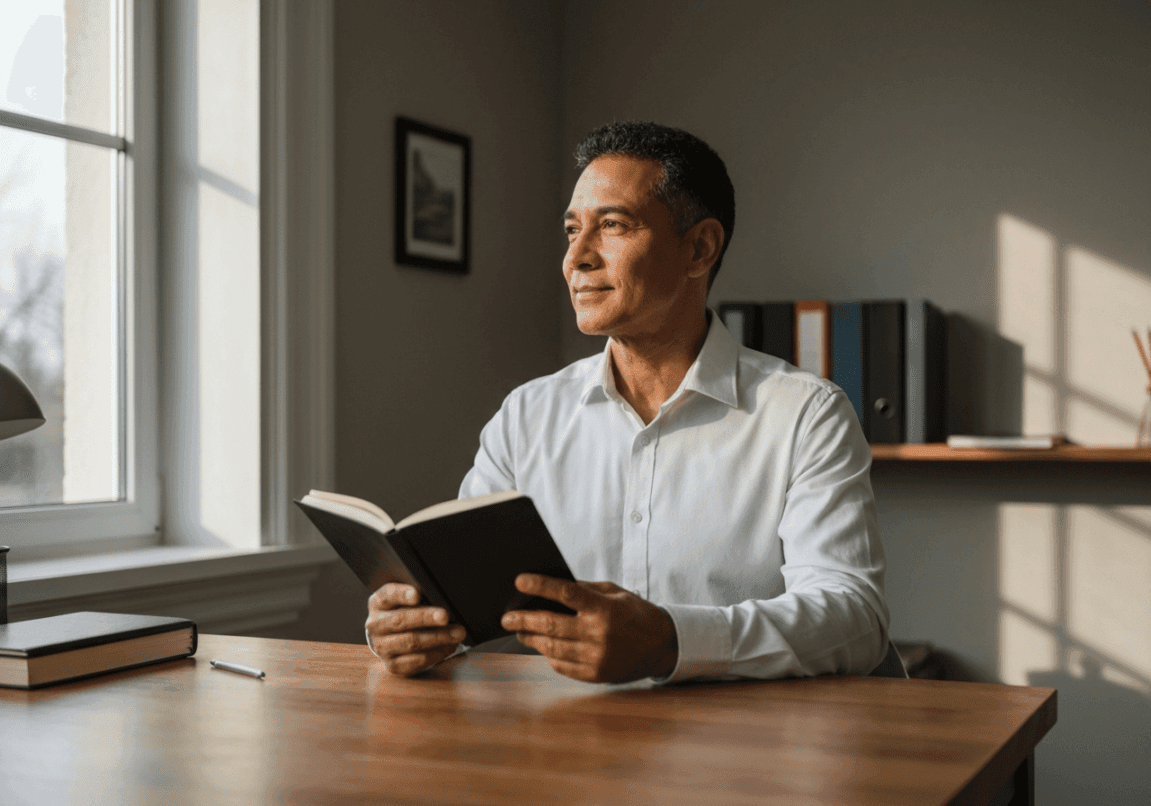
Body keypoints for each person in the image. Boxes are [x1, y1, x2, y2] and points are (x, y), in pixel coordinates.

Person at [365, 121, 889, 684]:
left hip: (744, 756)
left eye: (613, 225)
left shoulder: (808, 415)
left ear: (699, 248)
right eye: (571, 232)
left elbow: (853, 617)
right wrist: (412, 630)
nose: (577, 259)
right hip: (561, 749)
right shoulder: (524, 418)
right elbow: (464, 598)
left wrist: (670, 640)